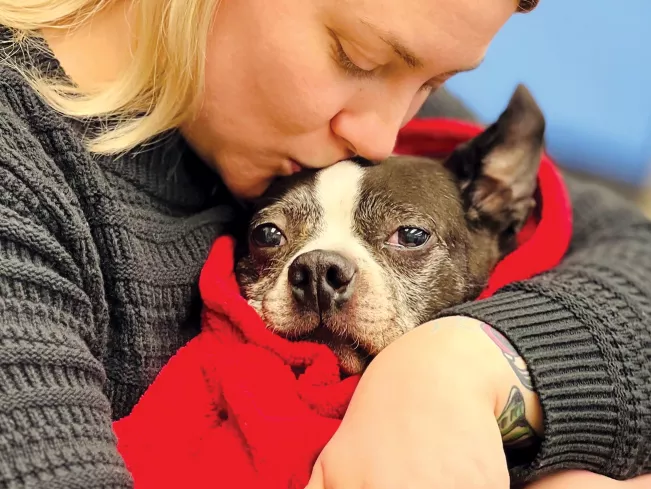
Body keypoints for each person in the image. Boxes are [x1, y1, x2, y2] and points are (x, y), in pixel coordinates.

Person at [0, 0, 649, 488]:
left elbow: (634, 249)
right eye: (356, 58)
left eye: (426, 83)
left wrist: (459, 366)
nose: (381, 135)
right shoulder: (21, 176)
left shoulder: (364, 115)